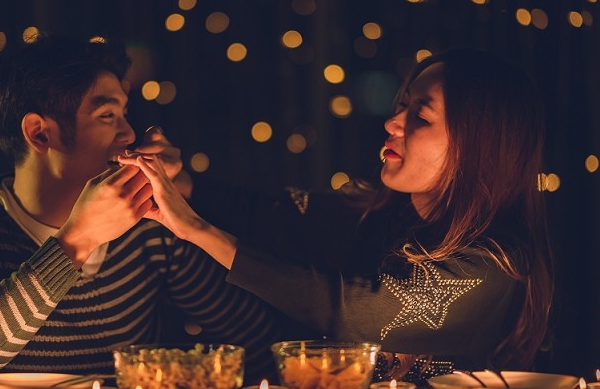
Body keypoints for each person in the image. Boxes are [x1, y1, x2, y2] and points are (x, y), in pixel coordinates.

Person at [119, 46, 554, 383]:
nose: (393, 123)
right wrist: (181, 183)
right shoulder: (375, 216)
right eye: (400, 105)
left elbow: (350, 312)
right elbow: (267, 216)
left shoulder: (495, 261)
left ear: (477, 146)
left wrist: (194, 229)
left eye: (419, 116)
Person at [0, 33, 280, 388]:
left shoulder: (147, 229)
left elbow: (259, 345)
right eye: (107, 116)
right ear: (40, 134)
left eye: (124, 114)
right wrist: (75, 243)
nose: (129, 135)